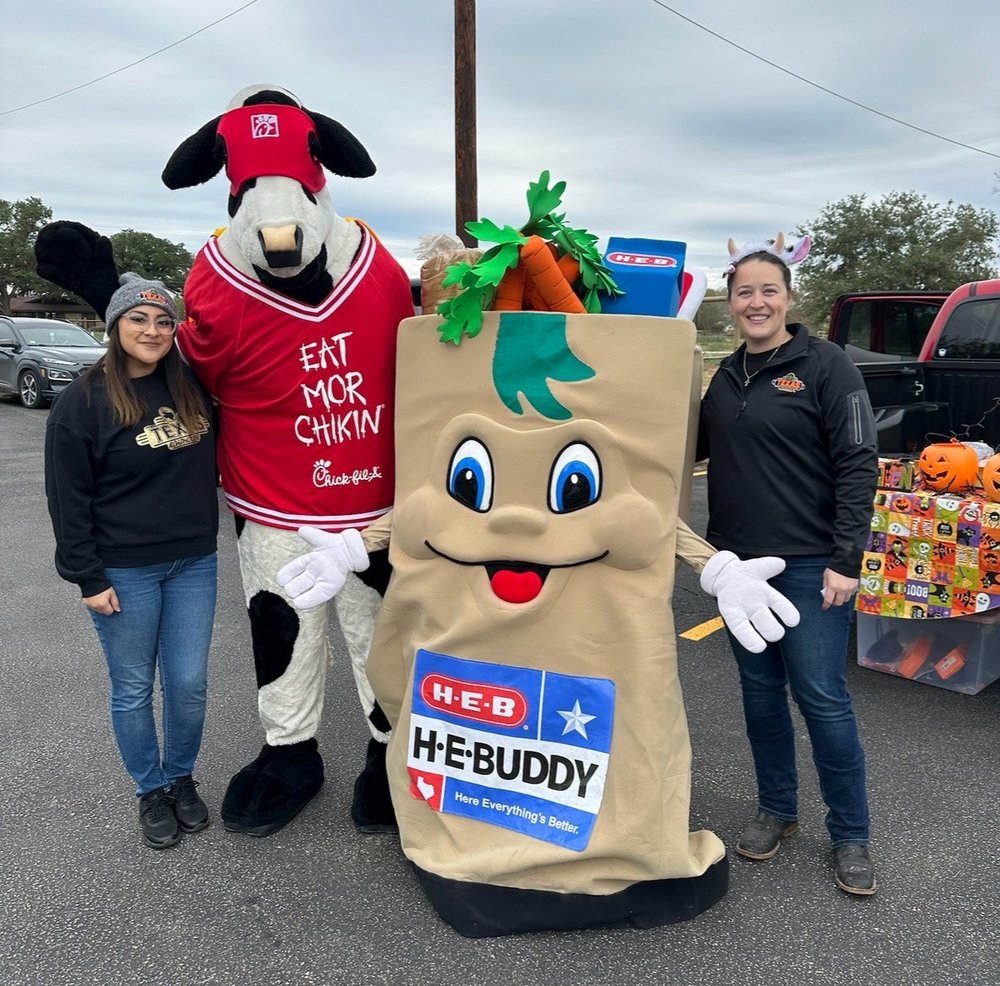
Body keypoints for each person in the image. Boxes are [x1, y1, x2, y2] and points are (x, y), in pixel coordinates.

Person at [696, 234, 879, 896]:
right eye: (744, 291)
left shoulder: (827, 366)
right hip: (738, 568)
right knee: (760, 695)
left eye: (768, 290)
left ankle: (851, 835)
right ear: (730, 302)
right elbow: (682, 448)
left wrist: (845, 559)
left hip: (809, 565)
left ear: (789, 298)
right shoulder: (723, 376)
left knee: (822, 699)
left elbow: (859, 461)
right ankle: (777, 808)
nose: (757, 302)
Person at [44, 273, 219, 850]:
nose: (152, 330)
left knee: (188, 684)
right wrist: (88, 577)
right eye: (138, 319)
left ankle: (181, 777)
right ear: (115, 325)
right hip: (124, 570)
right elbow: (67, 500)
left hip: (193, 562)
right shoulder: (82, 402)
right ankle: (151, 790)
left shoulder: (189, 387)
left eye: (164, 321)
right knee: (133, 687)